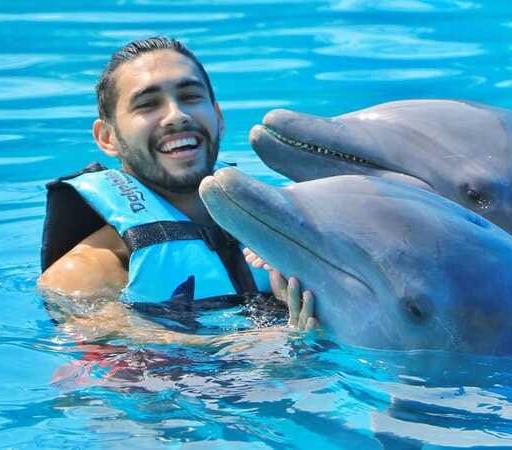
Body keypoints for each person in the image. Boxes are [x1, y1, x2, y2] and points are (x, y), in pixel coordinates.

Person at [37, 36, 317, 345]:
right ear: (107, 138)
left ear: (219, 118)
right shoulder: (84, 275)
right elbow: (102, 367)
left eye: (191, 97)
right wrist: (250, 347)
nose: (177, 116)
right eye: (147, 104)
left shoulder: (285, 231)